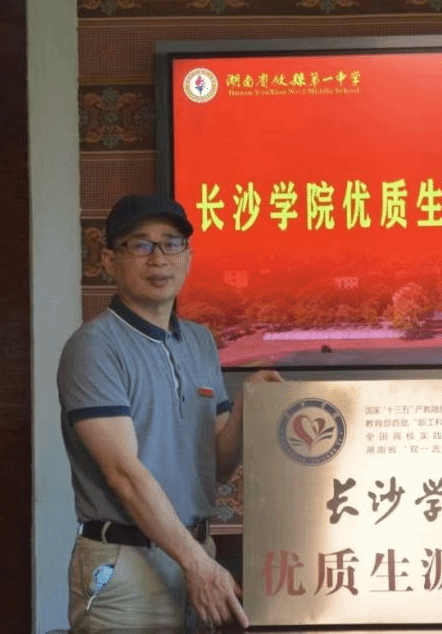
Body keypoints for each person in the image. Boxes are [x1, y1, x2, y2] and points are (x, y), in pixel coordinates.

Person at [57, 194, 280, 631]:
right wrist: (197, 563)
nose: (158, 258)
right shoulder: (94, 347)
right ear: (110, 260)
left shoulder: (200, 341)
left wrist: (243, 412)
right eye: (140, 245)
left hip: (196, 554)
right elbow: (123, 474)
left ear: (188, 257)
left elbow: (215, 467)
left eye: (171, 243)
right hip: (127, 567)